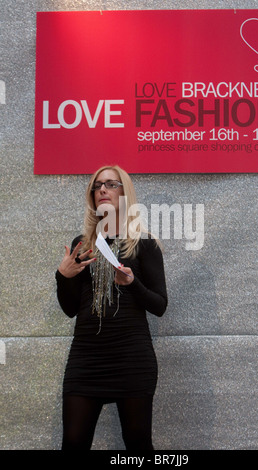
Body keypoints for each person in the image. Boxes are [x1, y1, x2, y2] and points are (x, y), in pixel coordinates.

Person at [55, 165, 168, 450]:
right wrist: (63, 277)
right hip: (86, 361)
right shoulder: (81, 245)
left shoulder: (144, 244)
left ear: (124, 194)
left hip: (131, 360)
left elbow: (160, 305)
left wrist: (132, 284)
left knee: (137, 444)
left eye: (110, 184)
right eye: (97, 186)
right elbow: (70, 309)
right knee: (73, 442)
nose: (102, 189)